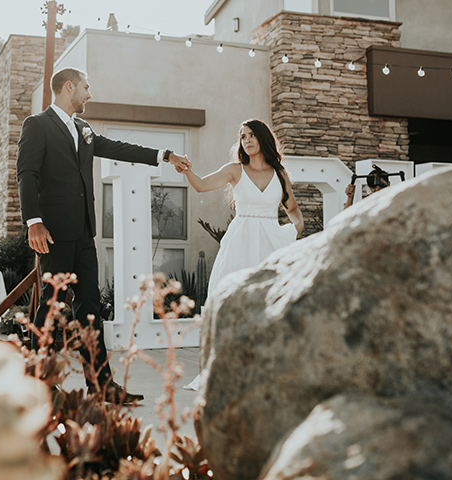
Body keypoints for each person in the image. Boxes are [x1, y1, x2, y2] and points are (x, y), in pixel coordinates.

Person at [17, 67, 190, 404]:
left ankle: (101, 386)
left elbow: (117, 148)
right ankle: (37, 384)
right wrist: (33, 222)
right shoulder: (37, 126)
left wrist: (164, 156)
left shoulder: (84, 129)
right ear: (69, 87)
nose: (89, 94)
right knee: (50, 309)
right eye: (85, 87)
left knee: (90, 310)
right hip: (53, 235)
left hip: (84, 235)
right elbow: (27, 174)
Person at [180, 119, 303, 390]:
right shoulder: (235, 170)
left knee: (269, 303)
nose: (246, 140)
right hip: (239, 243)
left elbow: (293, 209)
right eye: (242, 136)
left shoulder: (279, 173)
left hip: (271, 242)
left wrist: (295, 228)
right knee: (233, 304)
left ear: (262, 139)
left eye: (251, 136)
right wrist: (187, 171)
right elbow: (201, 185)